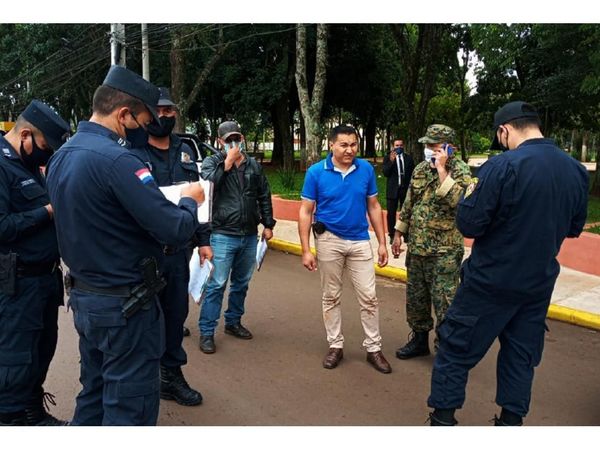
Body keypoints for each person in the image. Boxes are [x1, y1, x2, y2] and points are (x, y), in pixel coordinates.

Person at [46, 66, 205, 426]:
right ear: (123, 115)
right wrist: (190, 200)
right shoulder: (119, 161)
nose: (146, 130)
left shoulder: (62, 155)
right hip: (125, 308)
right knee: (129, 405)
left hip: (86, 298)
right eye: (143, 120)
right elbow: (175, 230)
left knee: (94, 393)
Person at [427, 101, 588, 426]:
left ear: (505, 130)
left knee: (455, 350)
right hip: (537, 285)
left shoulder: (502, 167)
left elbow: (470, 224)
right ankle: (510, 424)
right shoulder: (575, 170)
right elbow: (573, 228)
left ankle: (443, 421)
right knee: (520, 358)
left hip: (490, 282)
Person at [131, 87, 211, 407]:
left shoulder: (186, 151)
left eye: (168, 112)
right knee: (142, 319)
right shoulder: (132, 153)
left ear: (175, 114)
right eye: (157, 111)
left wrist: (204, 242)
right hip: (144, 255)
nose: (162, 117)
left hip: (179, 254)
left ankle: (171, 376)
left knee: (175, 317)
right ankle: (141, 377)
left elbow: (200, 198)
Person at [298, 124, 392, 374]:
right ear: (331, 145)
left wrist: (382, 242)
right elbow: (306, 211)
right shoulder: (316, 172)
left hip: (360, 240)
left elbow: (373, 205)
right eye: (344, 145)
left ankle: (374, 348)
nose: (349, 150)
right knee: (331, 296)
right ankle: (335, 345)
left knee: (369, 296)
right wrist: (306, 249)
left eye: (353, 145)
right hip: (329, 240)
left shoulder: (366, 169)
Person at [0, 100, 70, 426]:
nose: (46, 153)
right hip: (18, 285)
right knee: (15, 361)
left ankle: (32, 412)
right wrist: (46, 211)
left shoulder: (29, 166)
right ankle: (11, 421)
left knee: (42, 351)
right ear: (25, 135)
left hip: (44, 281)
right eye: (44, 146)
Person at [392, 124, 471, 360]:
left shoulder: (460, 171)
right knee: (416, 298)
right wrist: (398, 233)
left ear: (449, 148)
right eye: (427, 146)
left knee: (445, 302)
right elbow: (409, 203)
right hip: (417, 247)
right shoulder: (419, 169)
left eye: (434, 146)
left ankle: (445, 349)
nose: (428, 150)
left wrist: (442, 170)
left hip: (444, 251)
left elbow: (460, 202)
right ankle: (418, 340)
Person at [197, 121, 276, 354]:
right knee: (217, 284)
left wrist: (268, 224)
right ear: (220, 142)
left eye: (237, 138)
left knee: (241, 282)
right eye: (228, 139)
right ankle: (207, 331)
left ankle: (233, 322)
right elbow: (209, 187)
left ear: (242, 138)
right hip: (222, 233)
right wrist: (228, 163)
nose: (234, 142)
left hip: (249, 235)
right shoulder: (213, 163)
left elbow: (263, 195)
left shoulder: (253, 165)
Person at [382, 138, 414, 244]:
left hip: (405, 190)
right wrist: (391, 161)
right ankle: (391, 234)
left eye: (400, 145)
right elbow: (386, 173)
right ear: (393, 146)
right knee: (391, 214)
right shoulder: (388, 158)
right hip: (393, 190)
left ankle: (406, 234)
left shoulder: (408, 158)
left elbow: (412, 174)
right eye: (397, 145)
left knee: (406, 213)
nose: (399, 147)